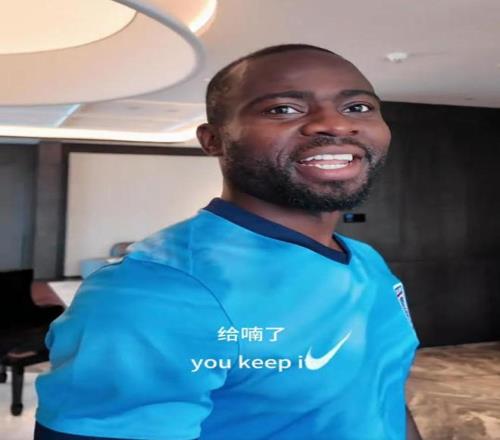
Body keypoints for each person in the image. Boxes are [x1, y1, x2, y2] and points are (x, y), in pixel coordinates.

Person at [35, 44, 421, 440]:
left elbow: (383, 393)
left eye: (357, 107)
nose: (336, 125)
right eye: (283, 109)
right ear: (213, 140)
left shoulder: (367, 261)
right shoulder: (152, 291)